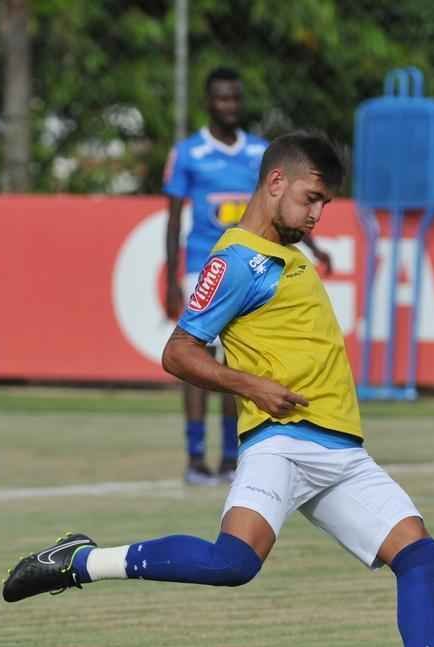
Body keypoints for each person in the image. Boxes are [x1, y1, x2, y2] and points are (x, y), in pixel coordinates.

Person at [2, 134, 434, 647]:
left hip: (341, 451)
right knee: (233, 563)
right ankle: (81, 561)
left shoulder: (286, 254)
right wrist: (253, 387)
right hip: (283, 441)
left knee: (422, 557)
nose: (317, 214)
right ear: (276, 182)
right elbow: (178, 352)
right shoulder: (236, 262)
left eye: (325, 204)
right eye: (311, 198)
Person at [163, 67, 331, 485]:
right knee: (198, 357)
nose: (230, 106)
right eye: (222, 98)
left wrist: (313, 246)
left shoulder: (259, 152)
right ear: (208, 102)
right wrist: (170, 278)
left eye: (236, 98)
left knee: (234, 362)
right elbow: (173, 218)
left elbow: (283, 207)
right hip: (205, 265)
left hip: (252, 266)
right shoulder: (188, 153)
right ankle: (195, 456)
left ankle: (229, 457)